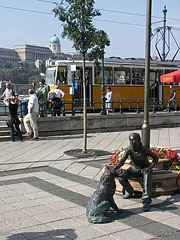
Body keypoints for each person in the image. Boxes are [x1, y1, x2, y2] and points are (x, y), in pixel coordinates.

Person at [113, 133, 158, 212]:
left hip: (145, 168)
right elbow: (122, 160)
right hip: (134, 168)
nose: (131, 142)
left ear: (139, 140)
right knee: (121, 177)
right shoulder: (129, 149)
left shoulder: (144, 149)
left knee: (147, 178)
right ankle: (130, 191)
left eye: (134, 140)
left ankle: (146, 200)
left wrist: (150, 168)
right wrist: (116, 168)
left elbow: (155, 157)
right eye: (130, 140)